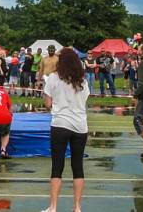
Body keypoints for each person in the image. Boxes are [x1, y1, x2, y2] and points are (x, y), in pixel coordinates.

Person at [42, 48, 88, 212]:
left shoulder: (53, 78)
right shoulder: (83, 80)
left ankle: (53, 207)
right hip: (80, 125)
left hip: (60, 123)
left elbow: (48, 104)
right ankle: (77, 207)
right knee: (78, 166)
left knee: (57, 166)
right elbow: (84, 100)